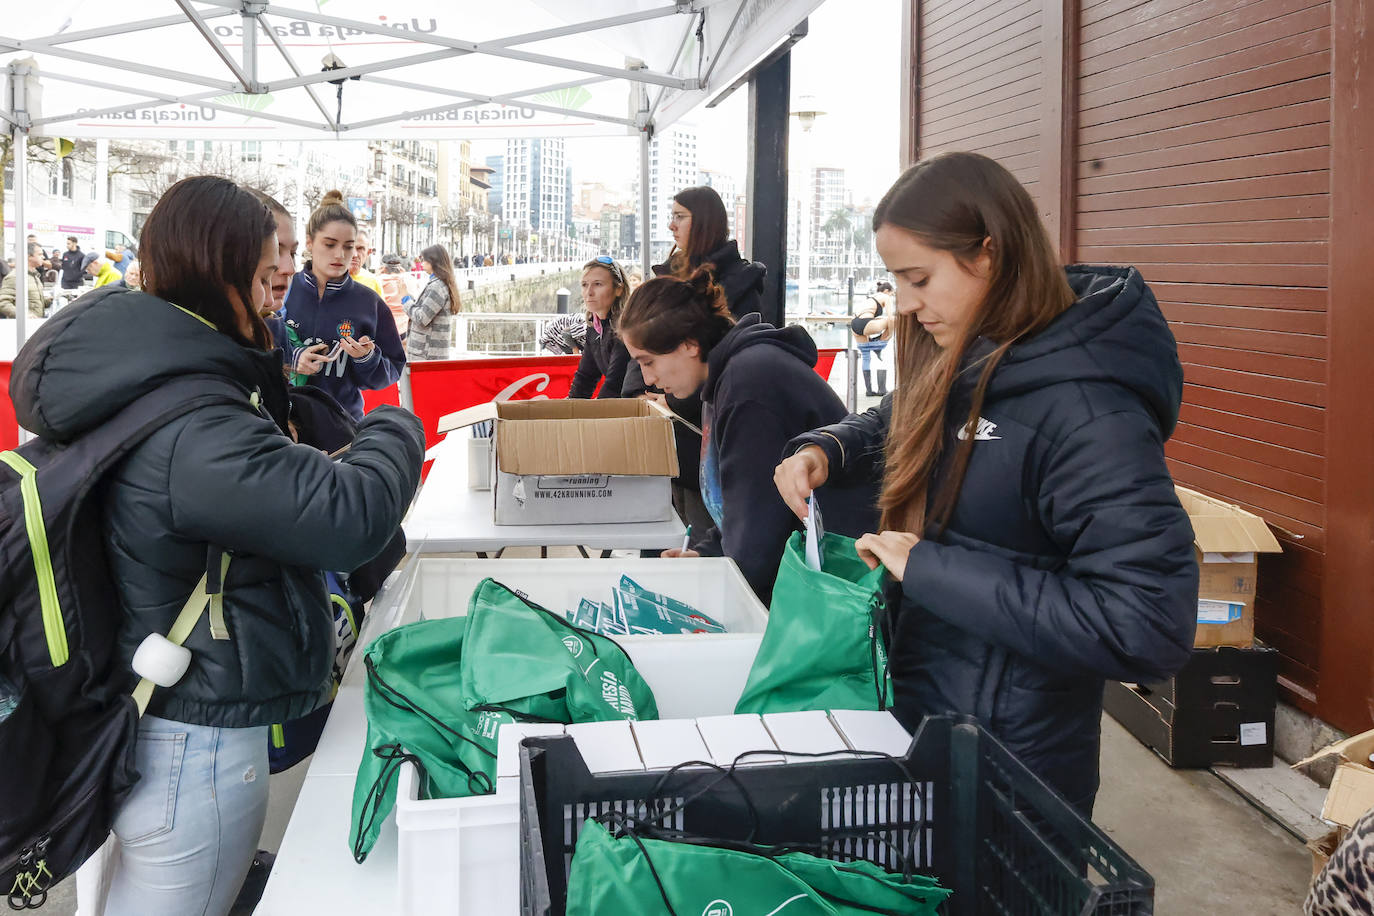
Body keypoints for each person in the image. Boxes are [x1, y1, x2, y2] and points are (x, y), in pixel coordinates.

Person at [10, 175, 425, 916]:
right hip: (191, 745)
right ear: (222, 269)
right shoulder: (198, 420)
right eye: (267, 276)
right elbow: (352, 513)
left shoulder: (138, 377)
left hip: (137, 710)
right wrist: (393, 423)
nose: (276, 299)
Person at [772, 152, 1198, 815]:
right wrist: (830, 447)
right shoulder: (972, 354)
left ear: (990, 255)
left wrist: (933, 571)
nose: (904, 305)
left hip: (1013, 771)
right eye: (895, 281)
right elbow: (903, 414)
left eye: (918, 278)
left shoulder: (1089, 412)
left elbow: (1147, 626)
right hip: (929, 721)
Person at [619, 267, 877, 604]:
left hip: (842, 579)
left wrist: (711, 594)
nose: (647, 379)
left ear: (689, 345)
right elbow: (743, 506)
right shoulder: (729, 377)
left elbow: (758, 537)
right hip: (814, 568)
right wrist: (707, 555)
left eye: (648, 361)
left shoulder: (748, 386)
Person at [623, 184, 769, 537]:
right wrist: (634, 395)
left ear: (703, 221)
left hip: (701, 429)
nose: (671, 225)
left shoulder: (741, 286)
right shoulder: (669, 275)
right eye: (670, 216)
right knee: (675, 524)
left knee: (703, 524)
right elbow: (640, 349)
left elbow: (720, 362)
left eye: (680, 216)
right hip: (668, 427)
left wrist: (671, 400)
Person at [275, 190, 405, 421]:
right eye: (330, 244)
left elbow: (392, 370)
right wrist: (292, 361)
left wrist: (366, 358)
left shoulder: (369, 303)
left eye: (348, 246)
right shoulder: (282, 290)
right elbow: (255, 349)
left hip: (343, 426)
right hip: (284, 425)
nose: (340, 254)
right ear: (310, 242)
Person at [566, 256, 631, 399]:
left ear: (618, 289)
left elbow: (614, 385)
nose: (589, 292)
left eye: (598, 284)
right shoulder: (594, 326)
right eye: (584, 285)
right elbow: (585, 377)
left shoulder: (625, 327)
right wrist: (568, 409)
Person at [404, 244, 460, 361]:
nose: (422, 262)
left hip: (426, 354)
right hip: (432, 353)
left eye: (423, 259)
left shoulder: (437, 287)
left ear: (433, 261)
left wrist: (406, 300)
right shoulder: (443, 283)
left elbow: (421, 318)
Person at [852, 279, 894, 396]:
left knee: (866, 356)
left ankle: (869, 391)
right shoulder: (885, 297)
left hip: (854, 325)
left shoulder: (869, 299)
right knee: (894, 320)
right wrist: (889, 335)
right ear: (886, 291)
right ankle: (879, 345)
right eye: (892, 294)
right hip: (866, 323)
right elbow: (890, 318)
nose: (892, 296)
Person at [0, 242, 50, 318]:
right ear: (29, 256)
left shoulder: (35, 276)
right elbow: (3, 302)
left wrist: (51, 299)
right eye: (40, 254)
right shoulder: (15, 277)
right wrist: (23, 316)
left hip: (36, 324)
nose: (43, 257)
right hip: (23, 327)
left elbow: (34, 301)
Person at [376, 254, 412, 338]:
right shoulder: (408, 279)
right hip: (405, 325)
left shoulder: (379, 281)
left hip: (386, 325)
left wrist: (377, 274)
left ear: (383, 268)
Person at [349, 229, 383, 297]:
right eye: (349, 247)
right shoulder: (326, 280)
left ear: (368, 252)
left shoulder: (373, 282)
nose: (354, 255)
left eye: (360, 249)